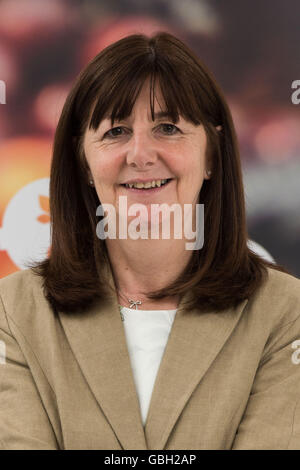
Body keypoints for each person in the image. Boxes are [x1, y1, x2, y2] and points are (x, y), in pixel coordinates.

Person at [0, 32, 300, 450]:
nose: (140, 154)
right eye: (116, 131)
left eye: (167, 127)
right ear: (83, 161)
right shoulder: (11, 311)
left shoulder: (285, 311)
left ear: (212, 153)